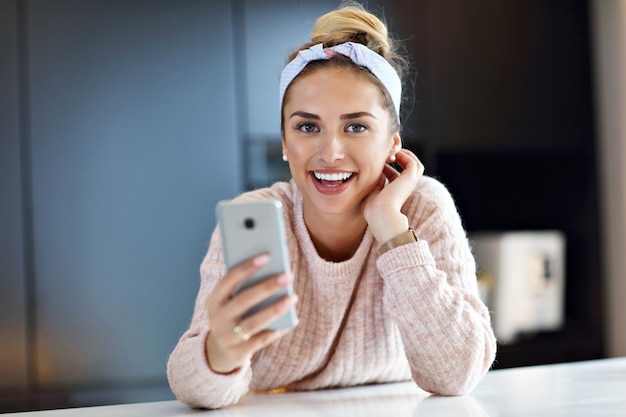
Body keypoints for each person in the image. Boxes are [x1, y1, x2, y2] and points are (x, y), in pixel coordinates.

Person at [167, 1, 496, 409]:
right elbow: (191, 388)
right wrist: (220, 352)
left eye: (356, 126)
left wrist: (391, 228)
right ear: (286, 144)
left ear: (393, 143)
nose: (330, 152)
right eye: (307, 127)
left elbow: (456, 376)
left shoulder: (421, 207)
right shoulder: (259, 216)